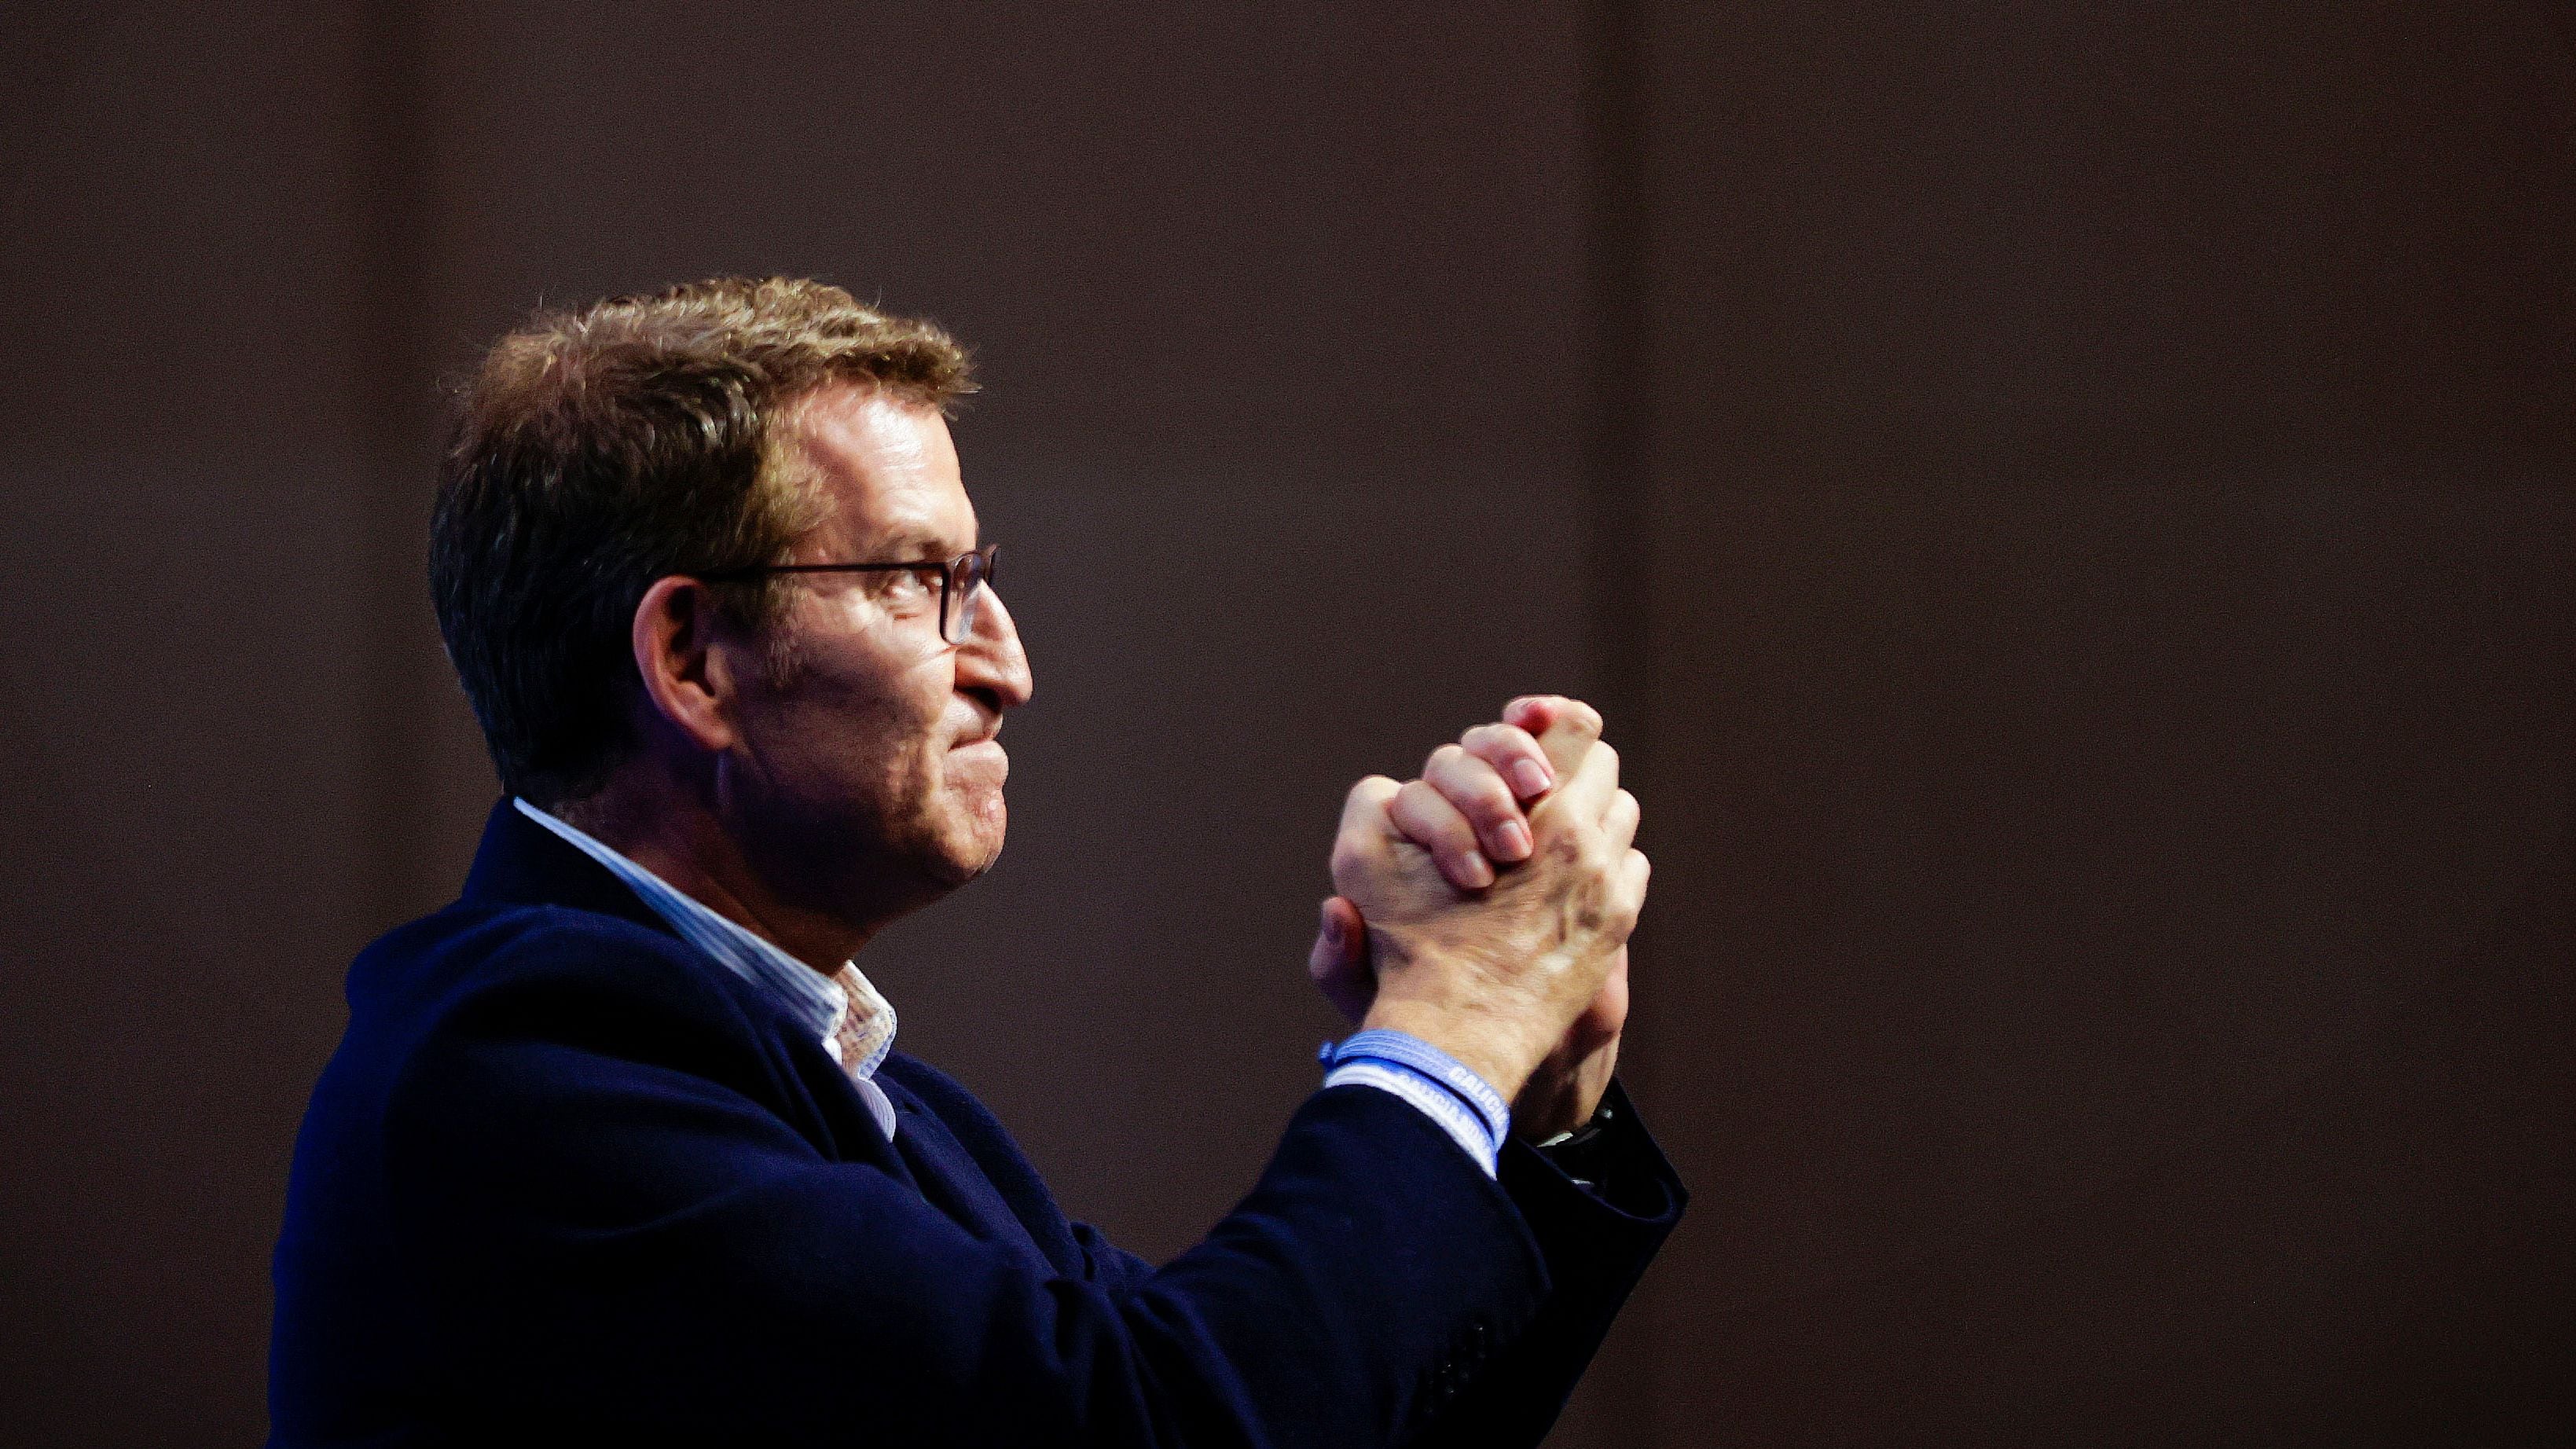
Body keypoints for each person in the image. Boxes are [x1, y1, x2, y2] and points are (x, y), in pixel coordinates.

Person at [268, 277, 1684, 1447]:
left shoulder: (880, 1105)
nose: (1006, 664)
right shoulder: (521, 1069)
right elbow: (1164, 1429)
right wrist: (1454, 1019)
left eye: (982, 578)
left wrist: (1532, 1102)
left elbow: (1306, 1421)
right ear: (691, 658)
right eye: (918, 581)